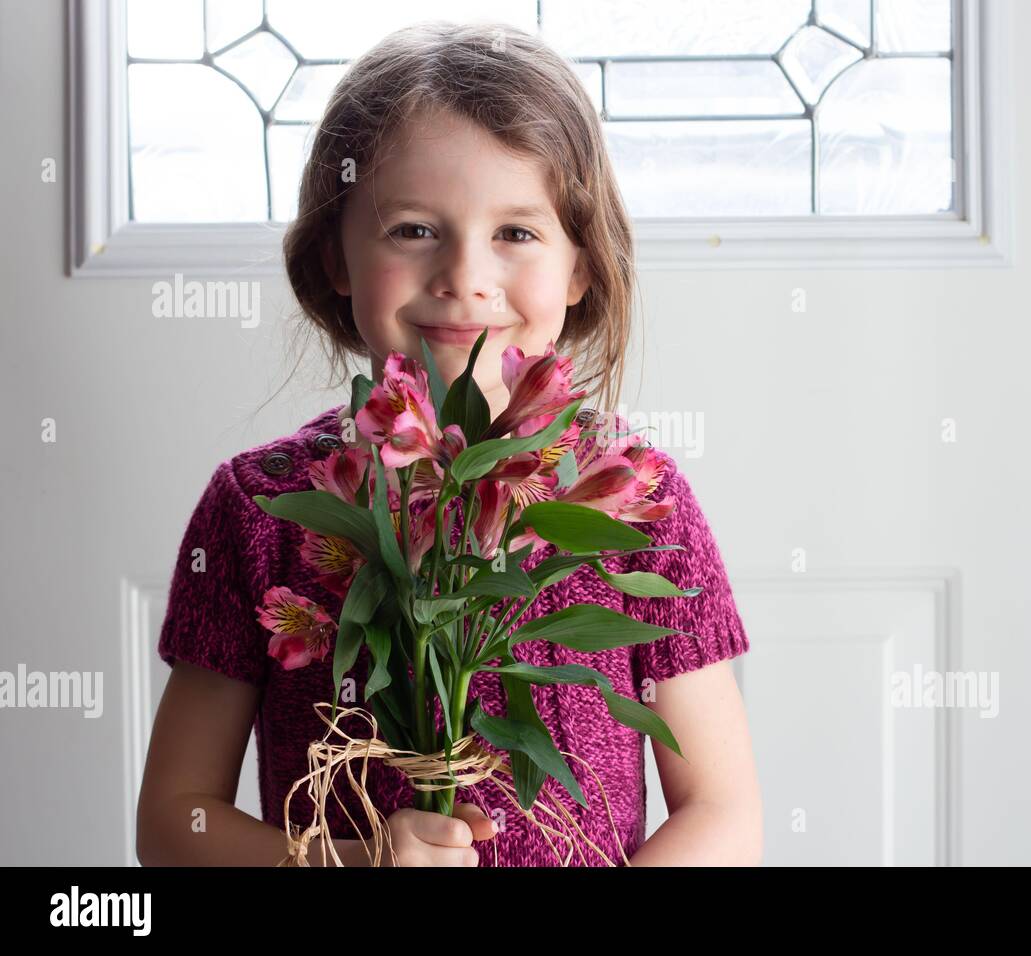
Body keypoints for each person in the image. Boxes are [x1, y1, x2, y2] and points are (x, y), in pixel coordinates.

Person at [135, 20, 760, 867]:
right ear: (336, 257)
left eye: (517, 232)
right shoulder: (260, 508)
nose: (465, 275)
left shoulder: (634, 500)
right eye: (413, 230)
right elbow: (176, 822)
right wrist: (351, 864)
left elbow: (722, 812)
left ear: (580, 267)